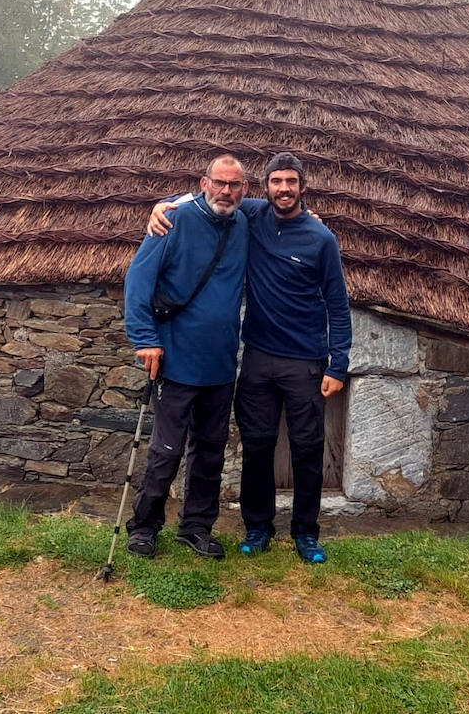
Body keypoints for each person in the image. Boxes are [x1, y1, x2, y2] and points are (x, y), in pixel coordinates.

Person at [148, 152, 351, 564]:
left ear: (302, 187)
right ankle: (257, 527)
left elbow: (338, 303)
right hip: (258, 356)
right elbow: (210, 196)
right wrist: (164, 204)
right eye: (276, 182)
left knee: (307, 448)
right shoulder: (253, 216)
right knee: (257, 446)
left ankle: (306, 533)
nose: (284, 189)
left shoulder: (321, 239)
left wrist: (338, 363)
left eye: (291, 182)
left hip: (306, 361)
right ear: (265, 188)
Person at [123, 154, 250, 560]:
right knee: (167, 450)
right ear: (203, 182)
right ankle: (144, 527)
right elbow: (138, 279)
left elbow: (284, 206)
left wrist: (312, 216)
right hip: (176, 358)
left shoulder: (245, 221)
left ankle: (195, 527)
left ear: (244, 189)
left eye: (234, 185)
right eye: (219, 183)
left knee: (210, 451)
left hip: (220, 364)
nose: (226, 191)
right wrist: (144, 339)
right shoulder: (173, 218)